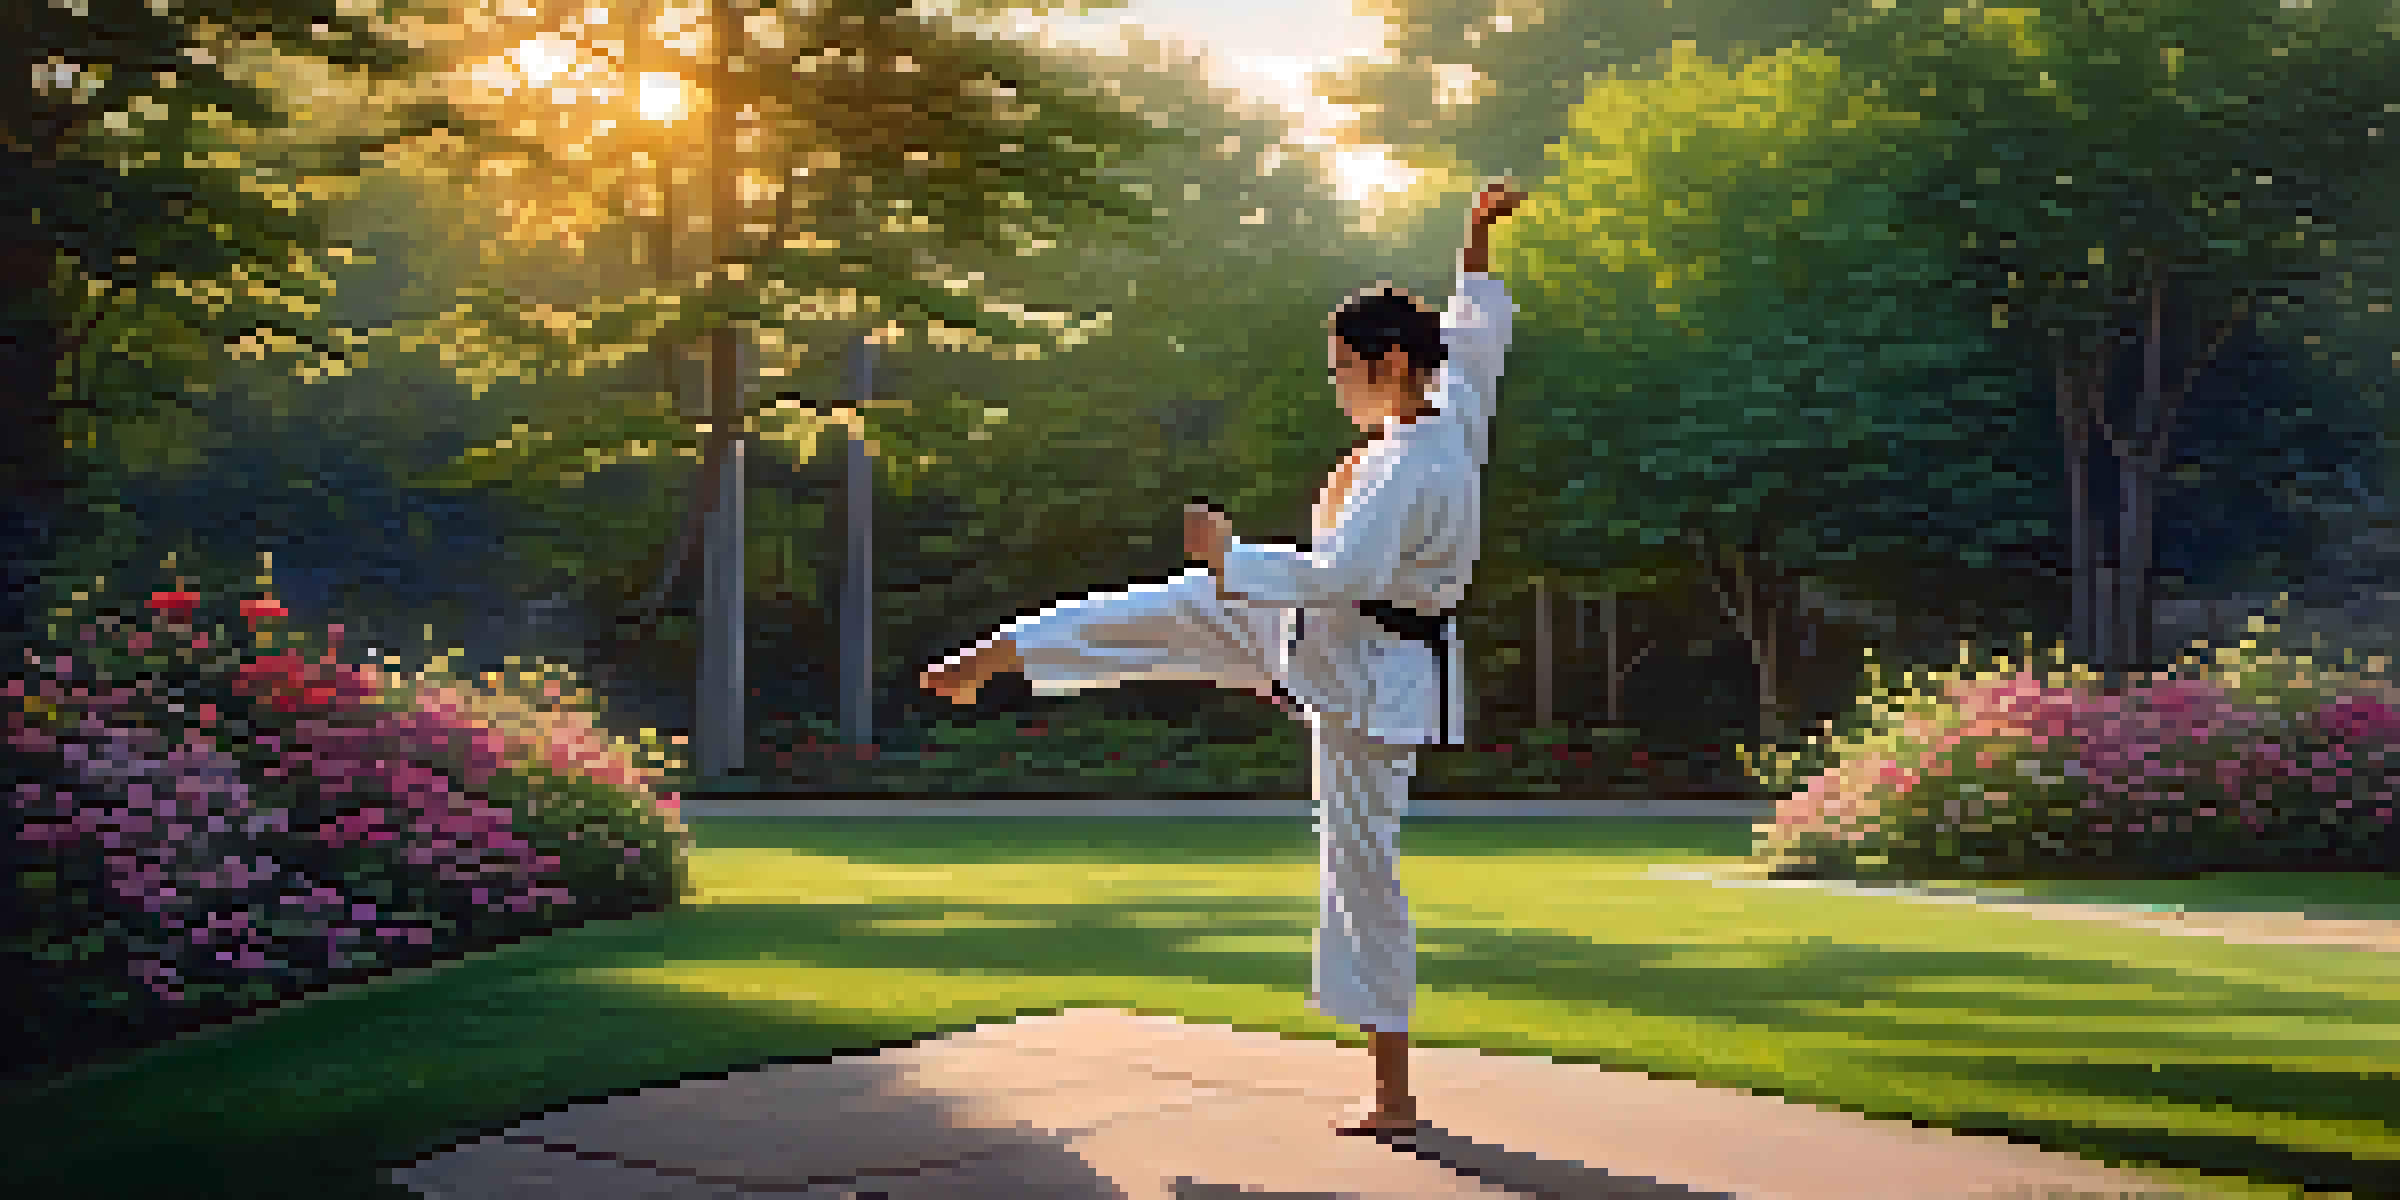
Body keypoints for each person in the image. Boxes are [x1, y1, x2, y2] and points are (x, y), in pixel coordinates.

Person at [919, 181, 1523, 1136]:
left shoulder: (1410, 466)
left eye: (1343, 372)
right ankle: (1003, 654)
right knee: (1171, 612)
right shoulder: (1450, 406)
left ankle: (1393, 1094)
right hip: (1325, 637)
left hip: (1370, 678)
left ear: (1389, 362)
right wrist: (1475, 239)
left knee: (1360, 872)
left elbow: (1336, 573)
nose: (1338, 390)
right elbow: (1476, 324)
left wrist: (1229, 552)